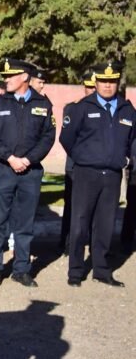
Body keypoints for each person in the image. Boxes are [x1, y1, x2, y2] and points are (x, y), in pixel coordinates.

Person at [60, 62, 135, 287]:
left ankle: (101, 270)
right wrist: (83, 156)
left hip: (112, 175)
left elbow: (132, 139)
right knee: (80, 223)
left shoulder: (126, 110)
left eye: (112, 82)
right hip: (86, 173)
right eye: (103, 81)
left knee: (105, 224)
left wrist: (125, 159)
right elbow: (67, 138)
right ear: (96, 82)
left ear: (117, 83)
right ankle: (75, 271)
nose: (107, 86)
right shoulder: (82, 107)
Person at [0, 58, 55, 287]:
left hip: (30, 172)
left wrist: (28, 159)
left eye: (10, 76)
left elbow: (48, 137)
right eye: (5, 76)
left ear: (24, 77)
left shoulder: (43, 104)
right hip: (4, 170)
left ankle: (21, 269)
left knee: (25, 223)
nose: (6, 80)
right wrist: (10, 158)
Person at [59, 71, 96, 254]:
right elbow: (67, 138)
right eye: (89, 86)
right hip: (75, 166)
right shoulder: (73, 108)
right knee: (72, 207)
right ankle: (66, 243)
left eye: (94, 87)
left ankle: (91, 242)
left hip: (96, 167)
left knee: (94, 207)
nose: (91, 90)